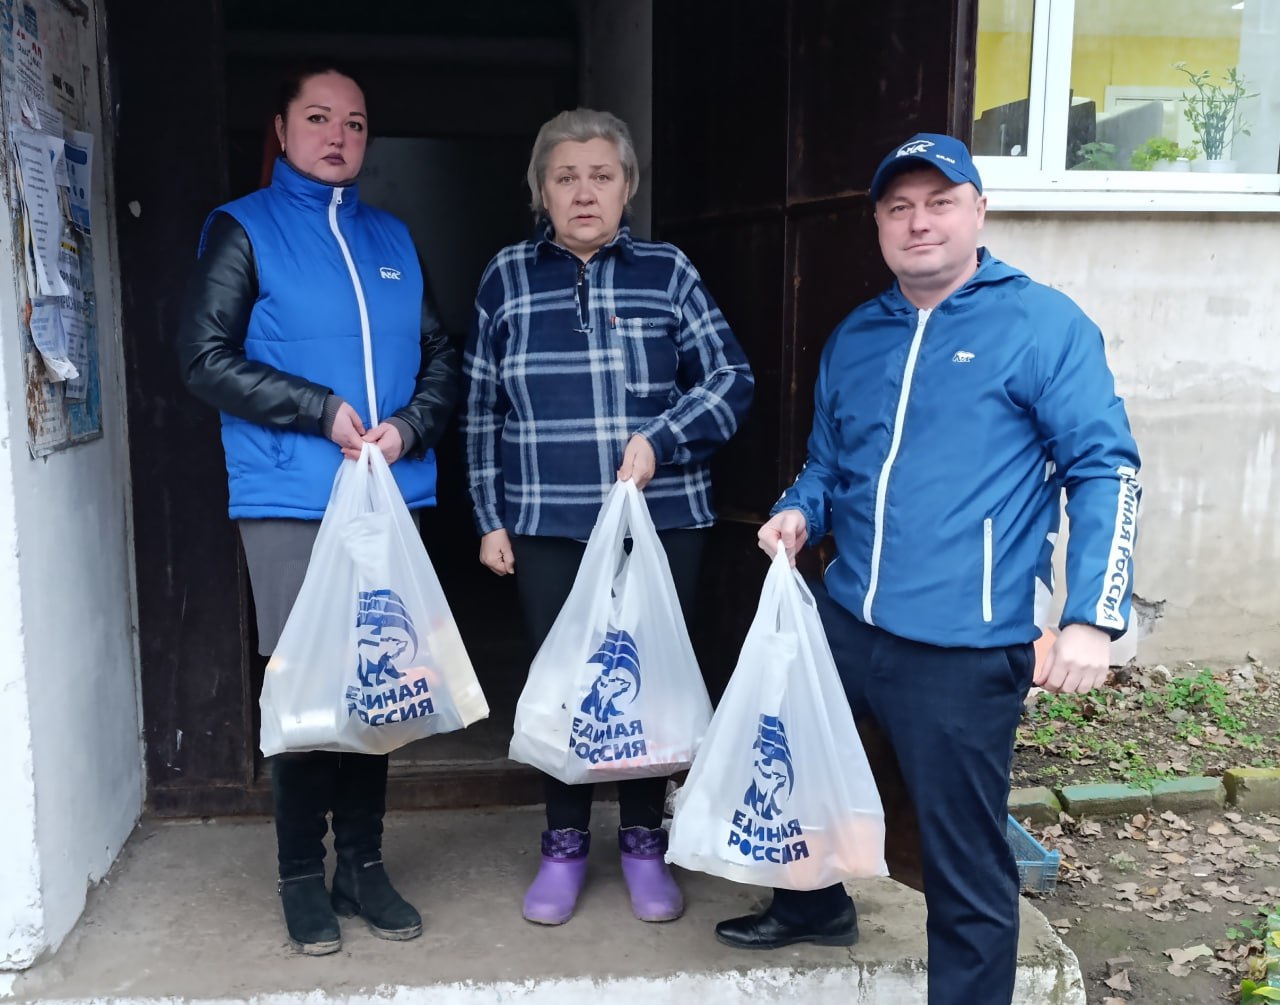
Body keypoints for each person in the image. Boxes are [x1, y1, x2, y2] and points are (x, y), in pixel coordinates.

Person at [713, 133, 1141, 1005]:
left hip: (962, 645)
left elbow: (1106, 467)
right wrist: (799, 509)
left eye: (940, 203)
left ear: (979, 210)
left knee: (962, 861)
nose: (919, 223)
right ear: (877, 223)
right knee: (796, 767)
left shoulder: (1042, 324)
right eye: (899, 207)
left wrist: (1093, 616)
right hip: (847, 619)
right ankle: (813, 904)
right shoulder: (857, 336)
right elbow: (829, 463)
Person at [176, 65, 458, 955]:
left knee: (380, 677)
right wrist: (319, 409)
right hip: (294, 495)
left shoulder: (393, 236)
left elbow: (441, 353)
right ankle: (301, 872)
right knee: (306, 685)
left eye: (356, 123)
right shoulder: (243, 229)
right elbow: (203, 356)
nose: (338, 137)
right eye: (319, 118)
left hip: (389, 494)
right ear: (282, 127)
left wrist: (410, 427)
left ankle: (362, 865)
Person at [462, 108, 754, 926]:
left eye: (601, 175)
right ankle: (563, 845)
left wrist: (663, 436)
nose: (584, 192)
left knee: (647, 681)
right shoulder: (506, 277)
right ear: (540, 191)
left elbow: (731, 378)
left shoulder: (667, 271)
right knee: (564, 685)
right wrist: (489, 517)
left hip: (662, 522)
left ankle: (642, 842)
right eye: (565, 177)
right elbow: (481, 408)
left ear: (628, 187)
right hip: (548, 521)